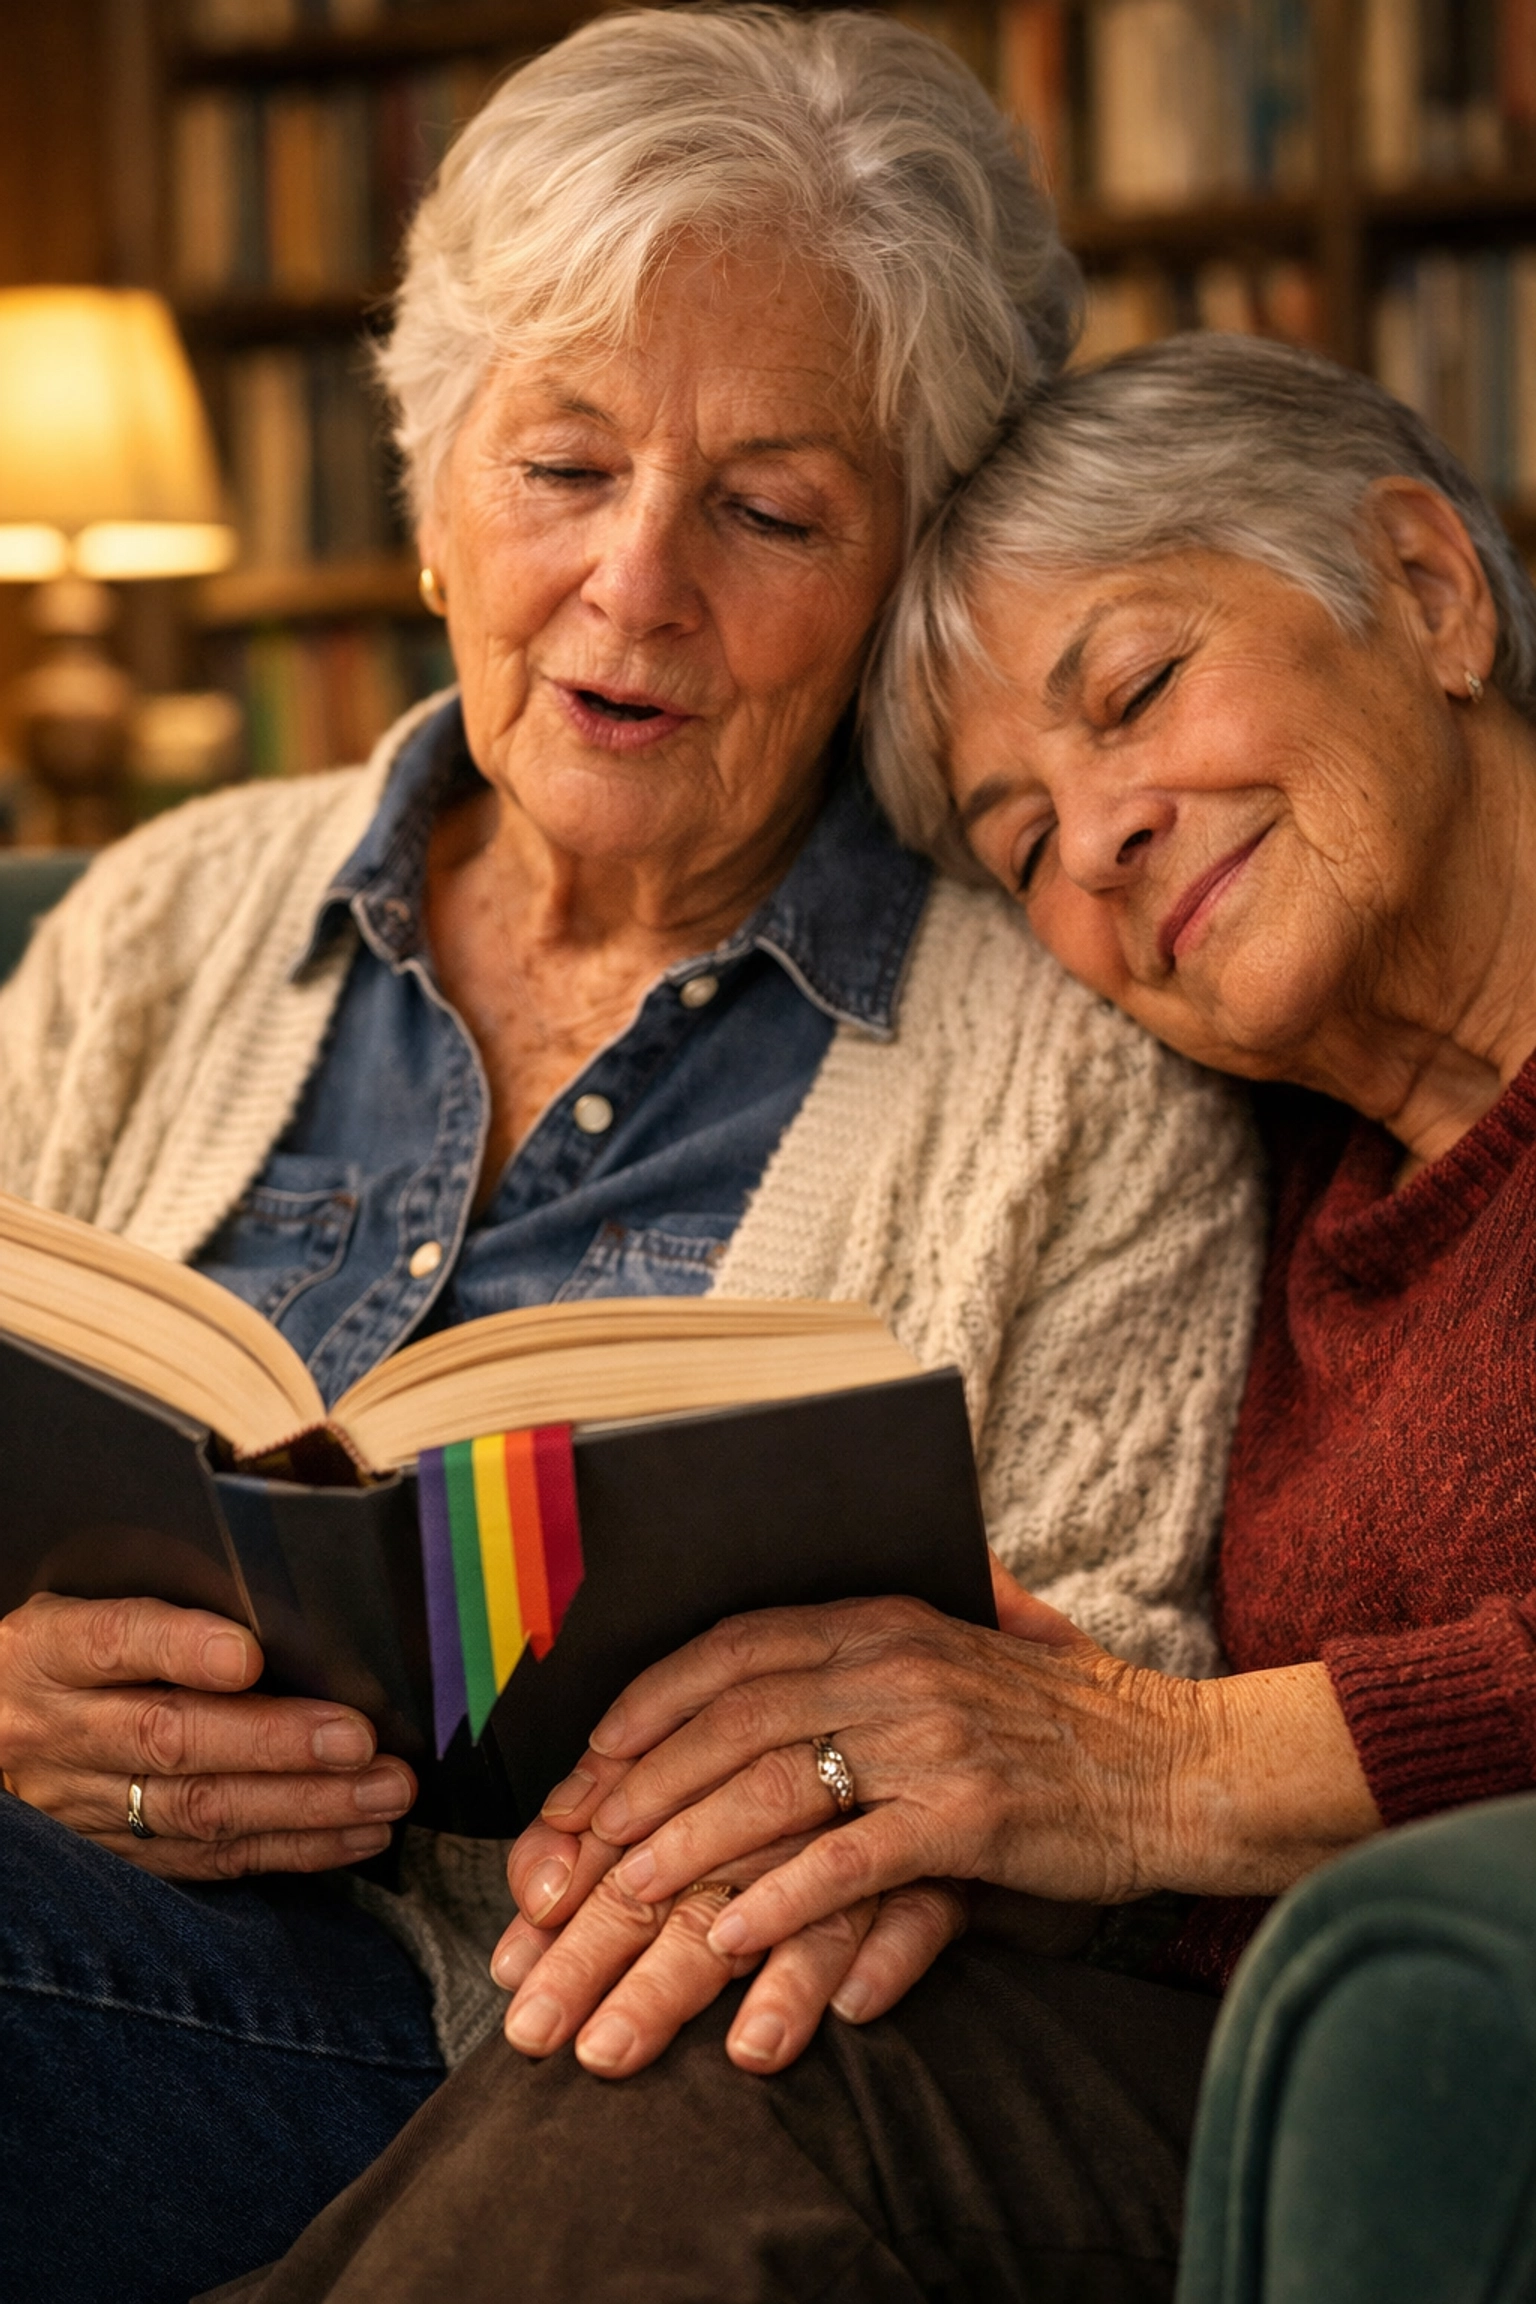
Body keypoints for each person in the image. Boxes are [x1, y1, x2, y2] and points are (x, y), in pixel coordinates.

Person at [0, 22, 1262, 2304]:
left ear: (913, 577)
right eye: (562, 465)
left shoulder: (1079, 1067)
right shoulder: (161, 923)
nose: (635, 584)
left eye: (770, 513)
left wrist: (878, 1800)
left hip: (558, 2089)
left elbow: (1101, 1723)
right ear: (428, 480)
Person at [214, 330, 1536, 2303]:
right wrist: (921, 1816)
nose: (1097, 838)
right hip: (1283, 2128)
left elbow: (1177, 1772)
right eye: (1021, 841)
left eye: (1142, 689)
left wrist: (1169, 1767)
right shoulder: (1266, 1190)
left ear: (1427, 590)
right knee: (681, 2037)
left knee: (700, 2099)